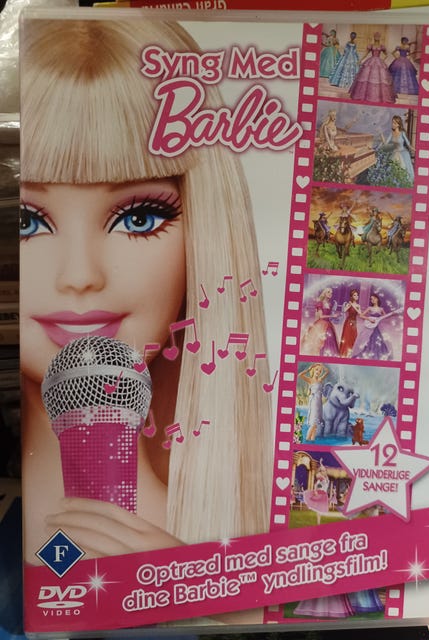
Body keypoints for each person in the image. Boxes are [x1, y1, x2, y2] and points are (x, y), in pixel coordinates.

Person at [20, 16, 273, 580]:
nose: (80, 276)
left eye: (138, 217)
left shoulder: (251, 528)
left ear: (204, 226)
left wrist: (199, 589)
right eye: (28, 221)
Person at [349, 32, 396, 104]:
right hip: (371, 61)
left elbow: (386, 54)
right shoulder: (371, 45)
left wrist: (383, 60)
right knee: (366, 77)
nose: (377, 37)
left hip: (379, 61)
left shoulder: (382, 46)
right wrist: (360, 60)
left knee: (381, 78)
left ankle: (379, 97)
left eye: (378, 36)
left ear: (380, 37)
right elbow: (366, 53)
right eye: (375, 36)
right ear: (374, 37)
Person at [300, 287, 340, 357]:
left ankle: (326, 355)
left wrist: (335, 316)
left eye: (331, 293)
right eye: (328, 292)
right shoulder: (320, 303)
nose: (330, 294)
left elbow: (329, 315)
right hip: (321, 324)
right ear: (324, 293)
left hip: (328, 324)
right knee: (320, 341)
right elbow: (321, 316)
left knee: (329, 340)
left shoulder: (329, 304)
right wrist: (332, 315)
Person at [298, 363, 329, 441]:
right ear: (313, 370)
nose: (318, 372)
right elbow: (300, 375)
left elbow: (327, 372)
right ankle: (307, 439)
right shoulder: (310, 380)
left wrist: (322, 366)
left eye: (320, 371)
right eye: (316, 370)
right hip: (314, 403)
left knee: (316, 425)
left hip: (319, 403)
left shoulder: (320, 380)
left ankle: (312, 440)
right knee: (313, 423)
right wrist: (308, 369)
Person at [381, 115, 415, 182]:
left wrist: (414, 149)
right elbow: (385, 144)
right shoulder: (392, 134)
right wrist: (381, 135)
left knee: (404, 171)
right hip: (394, 154)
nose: (393, 124)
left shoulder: (402, 133)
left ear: (398, 125)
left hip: (403, 154)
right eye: (392, 122)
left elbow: (408, 144)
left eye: (395, 123)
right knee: (392, 172)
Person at [339, 288, 361, 358]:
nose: (356, 296)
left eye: (357, 295)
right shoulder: (349, 304)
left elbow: (360, 313)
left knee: (353, 337)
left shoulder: (358, 306)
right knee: (347, 337)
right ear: (351, 296)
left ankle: (352, 352)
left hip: (354, 323)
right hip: (348, 322)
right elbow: (344, 311)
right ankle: (344, 353)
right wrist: (349, 305)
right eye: (354, 295)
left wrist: (353, 305)